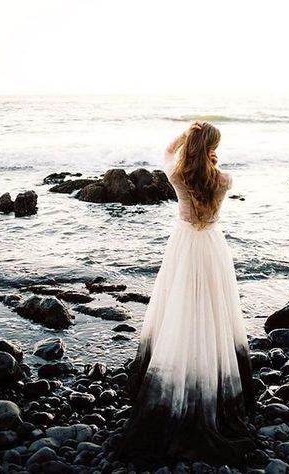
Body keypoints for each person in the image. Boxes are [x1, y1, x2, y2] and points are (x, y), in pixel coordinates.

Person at [113, 121, 257, 470]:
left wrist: (184, 135)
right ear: (213, 148)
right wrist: (209, 157)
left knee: (178, 307)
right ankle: (214, 379)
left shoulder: (178, 176)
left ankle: (178, 370)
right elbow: (214, 174)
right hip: (211, 246)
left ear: (191, 146)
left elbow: (165, 152)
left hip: (183, 245)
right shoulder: (226, 180)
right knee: (213, 308)